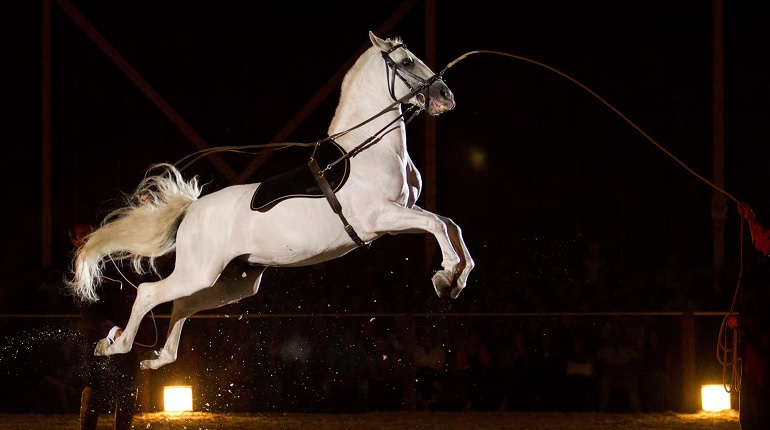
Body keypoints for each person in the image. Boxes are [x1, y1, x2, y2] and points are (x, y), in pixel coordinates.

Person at [69, 222, 158, 430]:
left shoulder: (113, 258)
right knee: (95, 386)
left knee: (127, 386)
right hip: (99, 336)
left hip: (125, 333)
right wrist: (112, 330)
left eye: (91, 232)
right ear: (74, 241)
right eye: (83, 234)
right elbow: (87, 311)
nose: (89, 236)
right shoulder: (81, 266)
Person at [731, 202, 770, 429]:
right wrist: (750, 219)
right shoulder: (762, 262)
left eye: (758, 228)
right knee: (750, 414)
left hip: (764, 354)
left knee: (761, 413)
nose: (754, 233)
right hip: (755, 353)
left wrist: (741, 321)